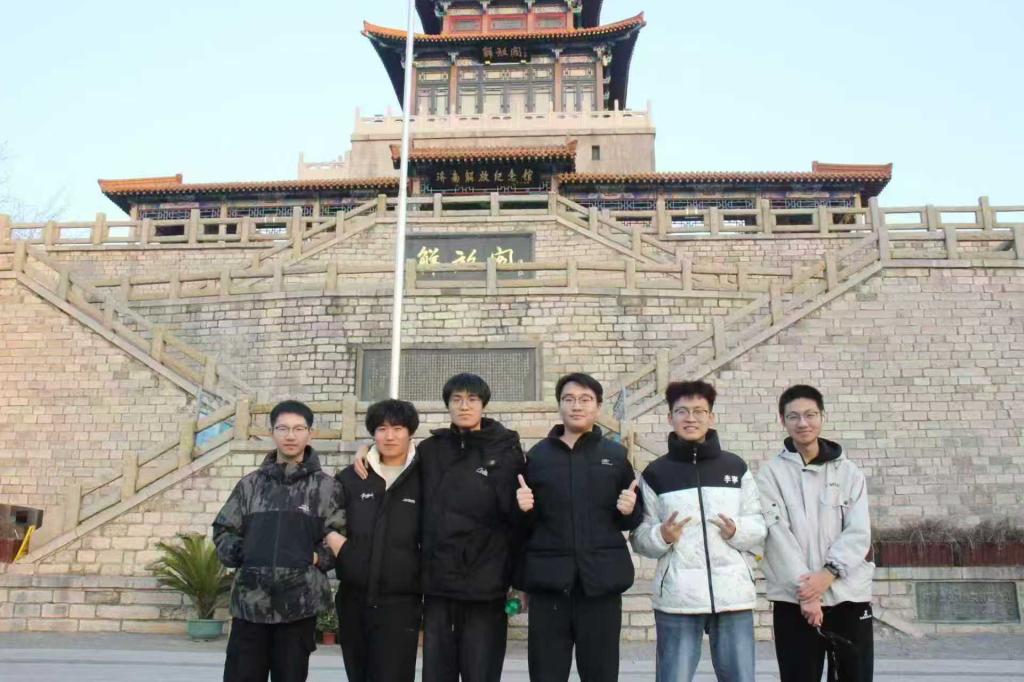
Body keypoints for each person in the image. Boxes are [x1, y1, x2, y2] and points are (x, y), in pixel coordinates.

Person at [354, 373, 524, 682]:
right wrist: (367, 450)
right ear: (447, 405)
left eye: (472, 399)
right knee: (436, 673)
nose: (464, 406)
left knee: (481, 672)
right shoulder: (432, 450)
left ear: (483, 404)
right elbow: (396, 460)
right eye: (457, 399)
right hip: (438, 583)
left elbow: (517, 517)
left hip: (486, 584)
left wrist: (516, 580)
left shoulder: (505, 450)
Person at [630, 380, 765, 682]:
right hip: (678, 596)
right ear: (670, 417)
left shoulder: (735, 467)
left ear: (711, 416)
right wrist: (662, 536)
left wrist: (737, 530)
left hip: (732, 595)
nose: (690, 418)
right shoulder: (655, 473)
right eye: (682, 411)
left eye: (699, 411)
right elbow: (639, 537)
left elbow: (759, 525)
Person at [514, 372, 642, 682]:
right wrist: (523, 509)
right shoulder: (537, 457)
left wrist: (630, 510)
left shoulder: (615, 455)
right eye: (568, 399)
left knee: (600, 673)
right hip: (549, 584)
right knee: (546, 674)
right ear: (559, 405)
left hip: (600, 583)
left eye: (585, 399)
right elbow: (524, 526)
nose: (576, 406)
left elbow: (630, 518)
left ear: (598, 406)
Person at [213, 400, 345, 682]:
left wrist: (316, 558)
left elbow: (340, 536)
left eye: (298, 428)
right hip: (250, 603)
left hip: (299, 605)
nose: (290, 436)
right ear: (271, 432)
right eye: (282, 428)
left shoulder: (327, 487)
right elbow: (224, 529)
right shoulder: (250, 485)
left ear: (310, 433)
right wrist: (243, 552)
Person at [757, 384, 874, 682]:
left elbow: (858, 532)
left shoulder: (849, 473)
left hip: (848, 595)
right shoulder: (770, 474)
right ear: (782, 421)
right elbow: (776, 537)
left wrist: (828, 574)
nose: (803, 423)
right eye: (793, 416)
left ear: (822, 416)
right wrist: (807, 593)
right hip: (793, 601)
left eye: (810, 415)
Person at [329, 398, 422, 682]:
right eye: (382, 429)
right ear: (373, 433)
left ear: (410, 432)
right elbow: (328, 523)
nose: (389, 436)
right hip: (354, 597)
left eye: (397, 428)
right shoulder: (351, 478)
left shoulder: (426, 476)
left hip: (401, 602)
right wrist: (345, 553)